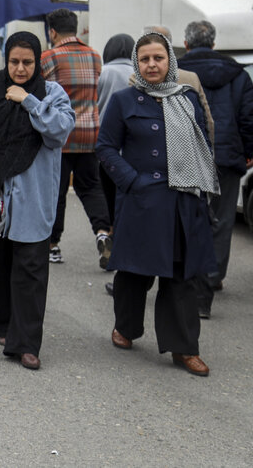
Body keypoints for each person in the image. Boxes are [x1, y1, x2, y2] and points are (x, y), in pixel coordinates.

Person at [97, 32, 219, 377]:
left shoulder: (187, 97)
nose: (152, 64)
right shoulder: (123, 100)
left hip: (183, 202)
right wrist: (132, 181)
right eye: (146, 58)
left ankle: (184, 348)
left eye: (159, 58)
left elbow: (202, 142)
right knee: (134, 274)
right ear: (137, 62)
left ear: (170, 62)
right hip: (142, 201)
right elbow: (105, 147)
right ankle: (127, 327)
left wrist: (203, 185)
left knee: (181, 277)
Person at [0, 32, 75, 370]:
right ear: (6, 61)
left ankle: (26, 345)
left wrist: (28, 101)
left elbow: (60, 131)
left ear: (38, 63)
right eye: (14, 62)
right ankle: (4, 326)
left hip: (33, 200)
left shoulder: (52, 93)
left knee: (31, 271)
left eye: (28, 62)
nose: (20, 69)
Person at [177, 20, 253, 318]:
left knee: (189, 217)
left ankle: (188, 278)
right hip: (227, 157)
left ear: (186, 41)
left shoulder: (177, 70)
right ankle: (212, 278)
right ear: (214, 42)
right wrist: (248, 152)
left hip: (188, 156)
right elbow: (249, 117)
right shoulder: (238, 74)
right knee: (221, 222)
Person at [40, 8, 111, 267]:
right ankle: (103, 232)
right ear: (77, 29)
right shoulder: (95, 56)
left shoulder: (48, 57)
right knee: (91, 187)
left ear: (52, 32)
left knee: (56, 192)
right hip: (90, 134)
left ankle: (53, 245)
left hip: (60, 136)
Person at [96, 33, 135, 228]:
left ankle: (112, 228)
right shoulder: (139, 73)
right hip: (133, 142)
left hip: (107, 140)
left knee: (108, 189)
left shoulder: (102, 72)